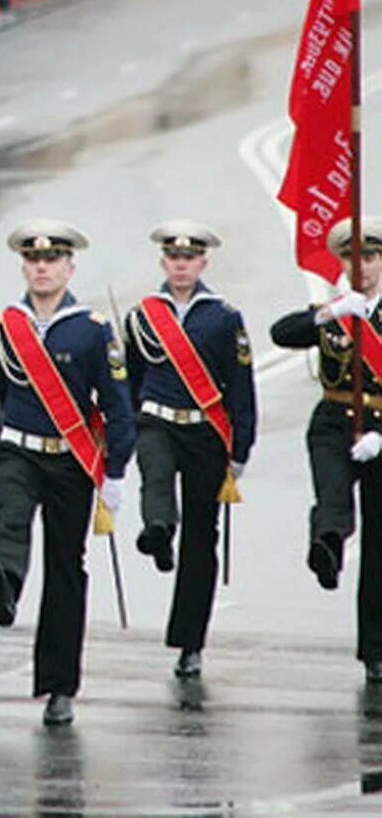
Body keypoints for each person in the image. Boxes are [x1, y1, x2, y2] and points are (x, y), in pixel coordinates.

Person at [0, 220, 135, 727]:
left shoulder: (92, 330)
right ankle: (3, 584)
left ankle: (59, 685)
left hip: (70, 460)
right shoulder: (5, 326)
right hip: (18, 452)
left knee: (66, 567)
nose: (41, 268)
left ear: (69, 267)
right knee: (11, 518)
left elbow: (118, 406)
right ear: (24, 266)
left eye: (52, 260)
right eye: (33, 260)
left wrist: (114, 474)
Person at [124, 221, 257, 680]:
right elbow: (131, 381)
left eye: (190, 257)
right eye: (174, 257)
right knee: (155, 476)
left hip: (205, 433)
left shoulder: (223, 317)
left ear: (202, 263)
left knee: (202, 536)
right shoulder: (142, 315)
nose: (181, 265)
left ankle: (189, 641)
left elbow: (240, 387)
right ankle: (158, 531)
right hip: (157, 420)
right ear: (163, 262)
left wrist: (240, 449)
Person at [270, 217, 382, 684]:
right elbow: (282, 333)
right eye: (352, 258)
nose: (361, 266)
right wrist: (332, 311)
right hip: (334, 420)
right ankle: (328, 546)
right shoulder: (337, 309)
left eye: (370, 257)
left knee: (379, 543)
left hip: (381, 429)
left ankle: (375, 649)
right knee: (333, 498)